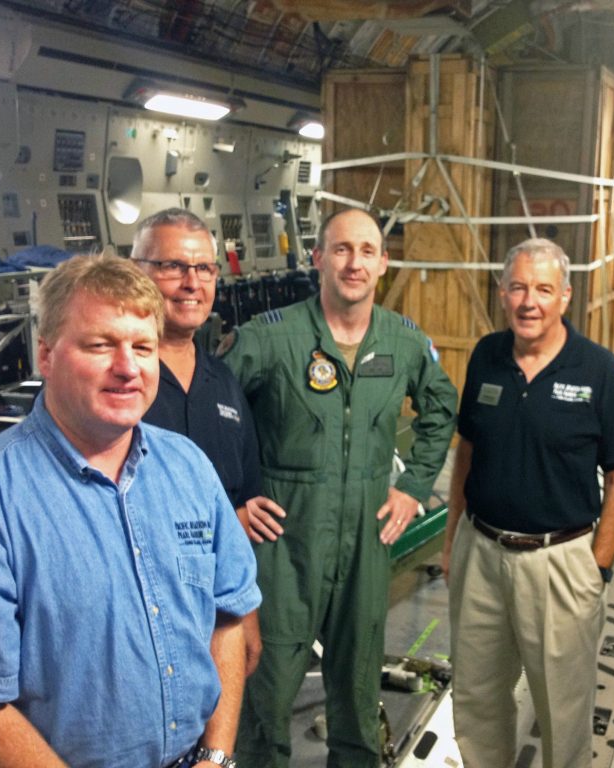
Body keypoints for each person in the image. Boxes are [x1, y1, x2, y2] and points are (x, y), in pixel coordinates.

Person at [0, 255, 260, 768]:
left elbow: (227, 618)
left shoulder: (188, 468)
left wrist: (217, 754)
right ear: (45, 354)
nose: (128, 367)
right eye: (101, 345)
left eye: (143, 347)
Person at [220, 207, 457, 767]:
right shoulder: (268, 339)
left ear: (383, 263)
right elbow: (215, 411)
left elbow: (442, 404)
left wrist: (415, 485)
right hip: (283, 540)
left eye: (367, 251)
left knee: (356, 685)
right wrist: (231, 498)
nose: (355, 263)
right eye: (342, 250)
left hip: (366, 540)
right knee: (268, 686)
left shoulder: (402, 341)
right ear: (318, 258)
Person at [443, 238, 614, 768]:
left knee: (563, 708)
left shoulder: (597, 370)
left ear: (565, 298)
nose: (530, 302)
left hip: (560, 561)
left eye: (544, 290)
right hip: (480, 552)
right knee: (477, 697)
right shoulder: (486, 355)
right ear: (503, 293)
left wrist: (598, 566)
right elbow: (468, 449)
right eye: (519, 288)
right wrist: (451, 542)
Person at [133, 208, 283, 678]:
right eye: (172, 266)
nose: (191, 282)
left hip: (214, 614)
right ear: (136, 271)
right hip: (138, 615)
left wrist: (246, 614)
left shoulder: (222, 381)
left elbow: (245, 504)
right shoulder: (119, 382)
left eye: (204, 268)